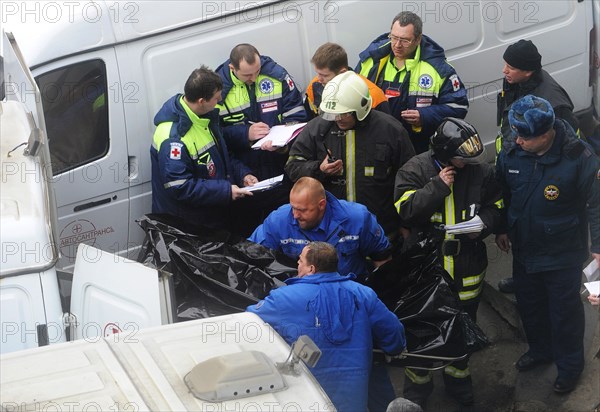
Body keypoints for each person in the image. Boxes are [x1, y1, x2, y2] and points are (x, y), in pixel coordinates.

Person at [394, 118, 503, 407]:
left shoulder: (481, 172)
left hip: (467, 267)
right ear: (443, 154)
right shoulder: (414, 169)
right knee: (422, 334)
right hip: (428, 269)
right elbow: (406, 211)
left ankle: (459, 385)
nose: (466, 164)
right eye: (459, 158)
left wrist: (487, 223)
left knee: (463, 330)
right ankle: (417, 392)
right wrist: (437, 186)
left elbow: (498, 205)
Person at [495, 95, 600, 394]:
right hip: (525, 249)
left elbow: (596, 205)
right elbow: (501, 190)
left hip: (562, 253)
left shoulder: (580, 157)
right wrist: (502, 227)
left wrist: (599, 247)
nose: (517, 141)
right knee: (530, 306)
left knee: (564, 314)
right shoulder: (512, 150)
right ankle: (541, 350)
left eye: (524, 137)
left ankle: (570, 367)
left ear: (546, 134)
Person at [247, 241, 406, 411]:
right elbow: (392, 329)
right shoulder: (363, 294)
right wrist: (394, 349)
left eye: (300, 261)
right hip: (352, 398)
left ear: (311, 269)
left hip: (305, 397)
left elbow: (249, 321)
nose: (297, 265)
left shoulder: (282, 298)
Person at [495, 39, 581, 294]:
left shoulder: (553, 102)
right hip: (515, 166)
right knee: (518, 225)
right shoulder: (514, 82)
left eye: (510, 66)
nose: (504, 71)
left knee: (538, 227)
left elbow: (572, 145)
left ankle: (542, 280)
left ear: (528, 71)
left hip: (541, 173)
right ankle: (522, 277)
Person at [286, 71, 415, 239]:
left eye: (344, 113)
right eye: (333, 113)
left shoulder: (391, 130)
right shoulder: (316, 129)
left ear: (360, 108)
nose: (337, 119)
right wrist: (319, 169)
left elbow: (410, 179)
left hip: (381, 229)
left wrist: (406, 224)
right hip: (333, 232)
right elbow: (292, 166)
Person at [150, 66, 258, 231]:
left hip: (210, 217)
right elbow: (180, 186)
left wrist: (243, 174)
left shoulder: (203, 119)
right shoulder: (173, 138)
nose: (220, 100)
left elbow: (223, 156)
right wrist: (225, 191)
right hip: (188, 227)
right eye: (216, 98)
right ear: (201, 101)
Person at [215, 44, 308, 235]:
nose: (254, 78)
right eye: (248, 75)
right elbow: (216, 137)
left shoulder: (277, 76)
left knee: (288, 230)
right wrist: (244, 134)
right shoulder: (219, 90)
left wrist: (282, 144)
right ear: (233, 68)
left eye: (257, 71)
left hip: (279, 170)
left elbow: (298, 117)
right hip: (245, 175)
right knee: (252, 235)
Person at [356, 11, 469, 154]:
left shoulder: (438, 69)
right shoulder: (370, 61)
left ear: (418, 39)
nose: (397, 45)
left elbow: (459, 106)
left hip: (418, 149)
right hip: (376, 145)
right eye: (394, 37)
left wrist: (424, 116)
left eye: (404, 40)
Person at [249, 176, 392, 280]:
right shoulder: (278, 221)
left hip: (349, 295)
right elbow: (252, 256)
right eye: (293, 207)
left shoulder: (357, 218)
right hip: (300, 298)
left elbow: (382, 258)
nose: (295, 215)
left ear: (321, 204)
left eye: (302, 210)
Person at [304, 42, 390, 119]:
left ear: (343, 72)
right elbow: (312, 122)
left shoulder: (373, 96)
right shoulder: (314, 86)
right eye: (317, 73)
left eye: (325, 75)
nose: (319, 79)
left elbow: (384, 130)